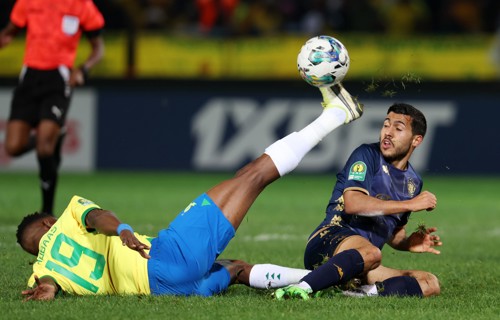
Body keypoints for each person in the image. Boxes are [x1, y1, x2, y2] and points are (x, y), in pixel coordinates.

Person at [16, 83, 364, 300]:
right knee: (252, 176)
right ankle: (335, 114)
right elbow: (97, 217)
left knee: (238, 269)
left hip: (177, 292)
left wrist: (48, 286)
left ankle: (334, 281)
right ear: (49, 223)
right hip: (163, 259)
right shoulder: (68, 217)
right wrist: (121, 229)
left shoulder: (42, 272)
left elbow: (48, 282)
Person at [275, 102, 442, 300]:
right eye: (386, 124)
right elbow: (354, 204)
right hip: (329, 240)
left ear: (416, 140)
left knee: (429, 282)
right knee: (371, 253)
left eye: (397, 128)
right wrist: (409, 204)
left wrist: (406, 243)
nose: (388, 132)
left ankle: (356, 292)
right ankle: (301, 288)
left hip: (365, 262)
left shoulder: (414, 181)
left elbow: (392, 231)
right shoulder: (367, 155)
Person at [0, 0, 105, 215]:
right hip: (29, 77)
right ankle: (54, 137)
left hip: (58, 80)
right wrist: (5, 37)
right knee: (12, 147)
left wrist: (83, 70)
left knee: (44, 148)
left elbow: (98, 48)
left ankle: (46, 212)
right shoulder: (28, 2)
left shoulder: (82, 5)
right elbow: (10, 30)